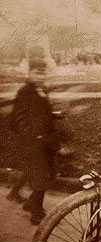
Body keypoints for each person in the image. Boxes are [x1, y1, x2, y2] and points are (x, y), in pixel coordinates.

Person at [7, 49, 60, 225]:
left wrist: (54, 114)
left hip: (44, 139)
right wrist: (30, 134)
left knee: (47, 173)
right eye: (37, 73)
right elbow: (18, 117)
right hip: (32, 141)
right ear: (29, 74)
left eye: (43, 73)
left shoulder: (41, 90)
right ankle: (36, 211)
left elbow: (42, 112)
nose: (40, 77)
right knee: (41, 176)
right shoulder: (25, 92)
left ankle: (30, 202)